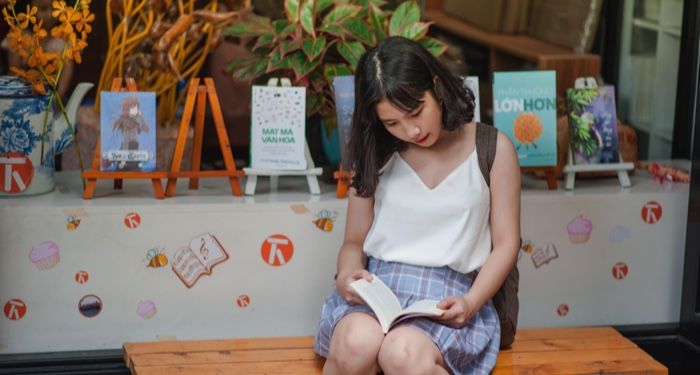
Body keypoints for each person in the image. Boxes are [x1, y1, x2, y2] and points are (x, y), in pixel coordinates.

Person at [313, 36, 521, 374]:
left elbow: (507, 244)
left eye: (416, 112)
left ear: (436, 86)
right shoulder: (375, 150)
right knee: (355, 343)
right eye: (392, 123)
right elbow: (353, 241)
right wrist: (346, 277)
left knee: (403, 353)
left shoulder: (493, 148)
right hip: (378, 291)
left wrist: (471, 302)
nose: (411, 130)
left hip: (451, 297)